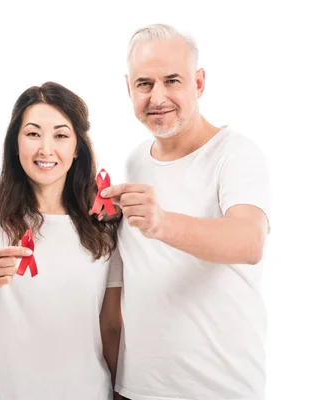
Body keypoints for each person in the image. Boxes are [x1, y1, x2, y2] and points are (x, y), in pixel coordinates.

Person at [103, 24, 271, 400]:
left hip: (220, 390)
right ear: (128, 89)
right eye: (144, 83)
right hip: (136, 389)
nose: (157, 96)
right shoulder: (132, 163)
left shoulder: (236, 154)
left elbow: (249, 241)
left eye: (172, 80)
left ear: (199, 82)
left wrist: (161, 222)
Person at [0, 81, 124, 400]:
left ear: (77, 147)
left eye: (61, 135)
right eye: (33, 133)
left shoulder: (102, 226)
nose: (45, 149)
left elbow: (111, 326)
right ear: (15, 142)